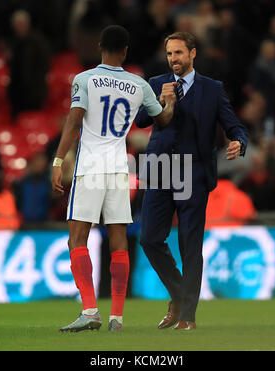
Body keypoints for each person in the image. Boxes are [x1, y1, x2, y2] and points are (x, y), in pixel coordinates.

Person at [51, 25, 176, 332]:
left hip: (90, 166)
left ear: (99, 46)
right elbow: (161, 119)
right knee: (119, 240)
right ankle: (117, 318)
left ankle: (91, 311)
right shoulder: (138, 84)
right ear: (125, 51)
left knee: (77, 237)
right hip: (121, 167)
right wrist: (169, 101)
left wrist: (57, 160)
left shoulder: (85, 80)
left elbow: (73, 122)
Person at [135, 31, 248, 331]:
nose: (173, 59)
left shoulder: (213, 89)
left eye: (179, 53)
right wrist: (159, 102)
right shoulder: (157, 84)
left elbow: (234, 125)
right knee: (148, 238)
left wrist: (239, 141)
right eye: (170, 54)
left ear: (193, 53)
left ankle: (188, 316)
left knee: (190, 245)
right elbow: (141, 122)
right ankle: (178, 296)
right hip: (160, 170)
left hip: (194, 173)